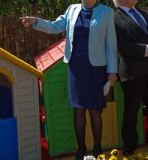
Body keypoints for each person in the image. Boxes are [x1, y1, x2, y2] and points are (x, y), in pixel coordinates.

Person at [20, 0, 118, 159]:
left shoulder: (107, 12)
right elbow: (54, 27)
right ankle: (81, 149)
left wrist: (112, 72)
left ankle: (97, 149)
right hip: (76, 68)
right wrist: (36, 21)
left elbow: (111, 44)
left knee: (94, 110)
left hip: (96, 68)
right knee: (78, 110)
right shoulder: (72, 9)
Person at [112, 0, 148, 157]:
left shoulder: (146, 13)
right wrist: (145, 50)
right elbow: (120, 44)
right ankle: (130, 145)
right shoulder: (115, 18)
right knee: (131, 111)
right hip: (133, 72)